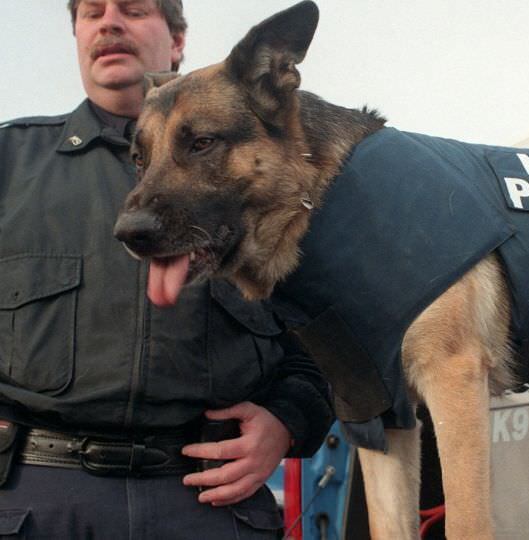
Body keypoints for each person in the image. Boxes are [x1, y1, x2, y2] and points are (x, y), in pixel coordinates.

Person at [0, 0, 333, 537]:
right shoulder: (10, 161)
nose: (109, 22)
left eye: (133, 10)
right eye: (91, 13)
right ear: (77, 36)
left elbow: (325, 346)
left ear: (177, 40)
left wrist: (286, 422)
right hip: (35, 500)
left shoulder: (278, 185)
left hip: (210, 499)